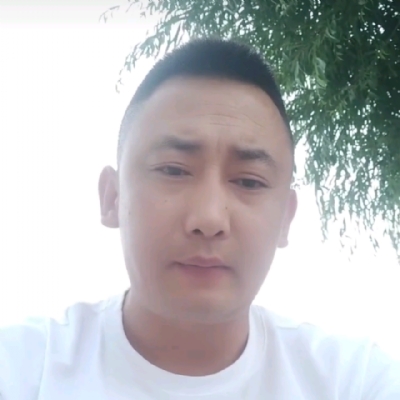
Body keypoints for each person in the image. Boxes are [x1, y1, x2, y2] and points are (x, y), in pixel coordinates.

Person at [0, 38, 399, 400]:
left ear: (285, 219)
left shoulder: (354, 382)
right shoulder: (24, 369)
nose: (209, 218)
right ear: (112, 197)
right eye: (173, 170)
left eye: (249, 181)